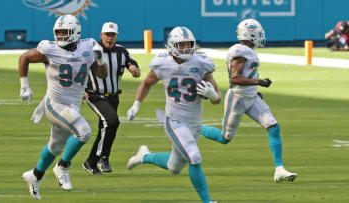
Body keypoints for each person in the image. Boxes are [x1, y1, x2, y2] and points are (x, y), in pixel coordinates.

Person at [126, 26, 220, 203]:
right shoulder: (162, 63)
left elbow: (217, 100)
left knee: (174, 166)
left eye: (188, 44)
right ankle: (207, 201)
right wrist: (136, 105)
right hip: (174, 121)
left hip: (194, 123)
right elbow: (146, 83)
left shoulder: (201, 63)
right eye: (181, 44)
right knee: (194, 156)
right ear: (172, 46)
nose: (185, 48)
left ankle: (144, 156)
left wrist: (213, 95)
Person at [19, 14, 108, 200]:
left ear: (75, 32)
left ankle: (35, 175)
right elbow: (24, 57)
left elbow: (101, 74)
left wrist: (100, 60)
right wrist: (24, 85)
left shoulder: (88, 47)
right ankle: (62, 167)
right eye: (58, 32)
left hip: (72, 106)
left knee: (56, 146)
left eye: (64, 32)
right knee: (83, 132)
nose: (60, 36)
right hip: (54, 105)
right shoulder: (49, 49)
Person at [200, 19, 298, 182]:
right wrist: (258, 82)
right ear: (249, 34)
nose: (260, 36)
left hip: (251, 97)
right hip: (238, 98)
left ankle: (279, 169)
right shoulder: (241, 51)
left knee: (273, 126)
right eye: (258, 33)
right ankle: (194, 127)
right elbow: (235, 78)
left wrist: (255, 89)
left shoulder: (247, 50)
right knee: (225, 138)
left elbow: (246, 75)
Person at [82, 22, 140, 175]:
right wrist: (80, 89)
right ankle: (103, 157)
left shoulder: (122, 51)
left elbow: (134, 67)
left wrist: (135, 70)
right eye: (107, 34)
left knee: (106, 129)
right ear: (101, 35)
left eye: (112, 35)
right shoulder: (93, 51)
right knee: (112, 121)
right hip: (95, 95)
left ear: (116, 36)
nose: (109, 38)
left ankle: (91, 162)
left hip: (113, 97)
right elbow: (79, 68)